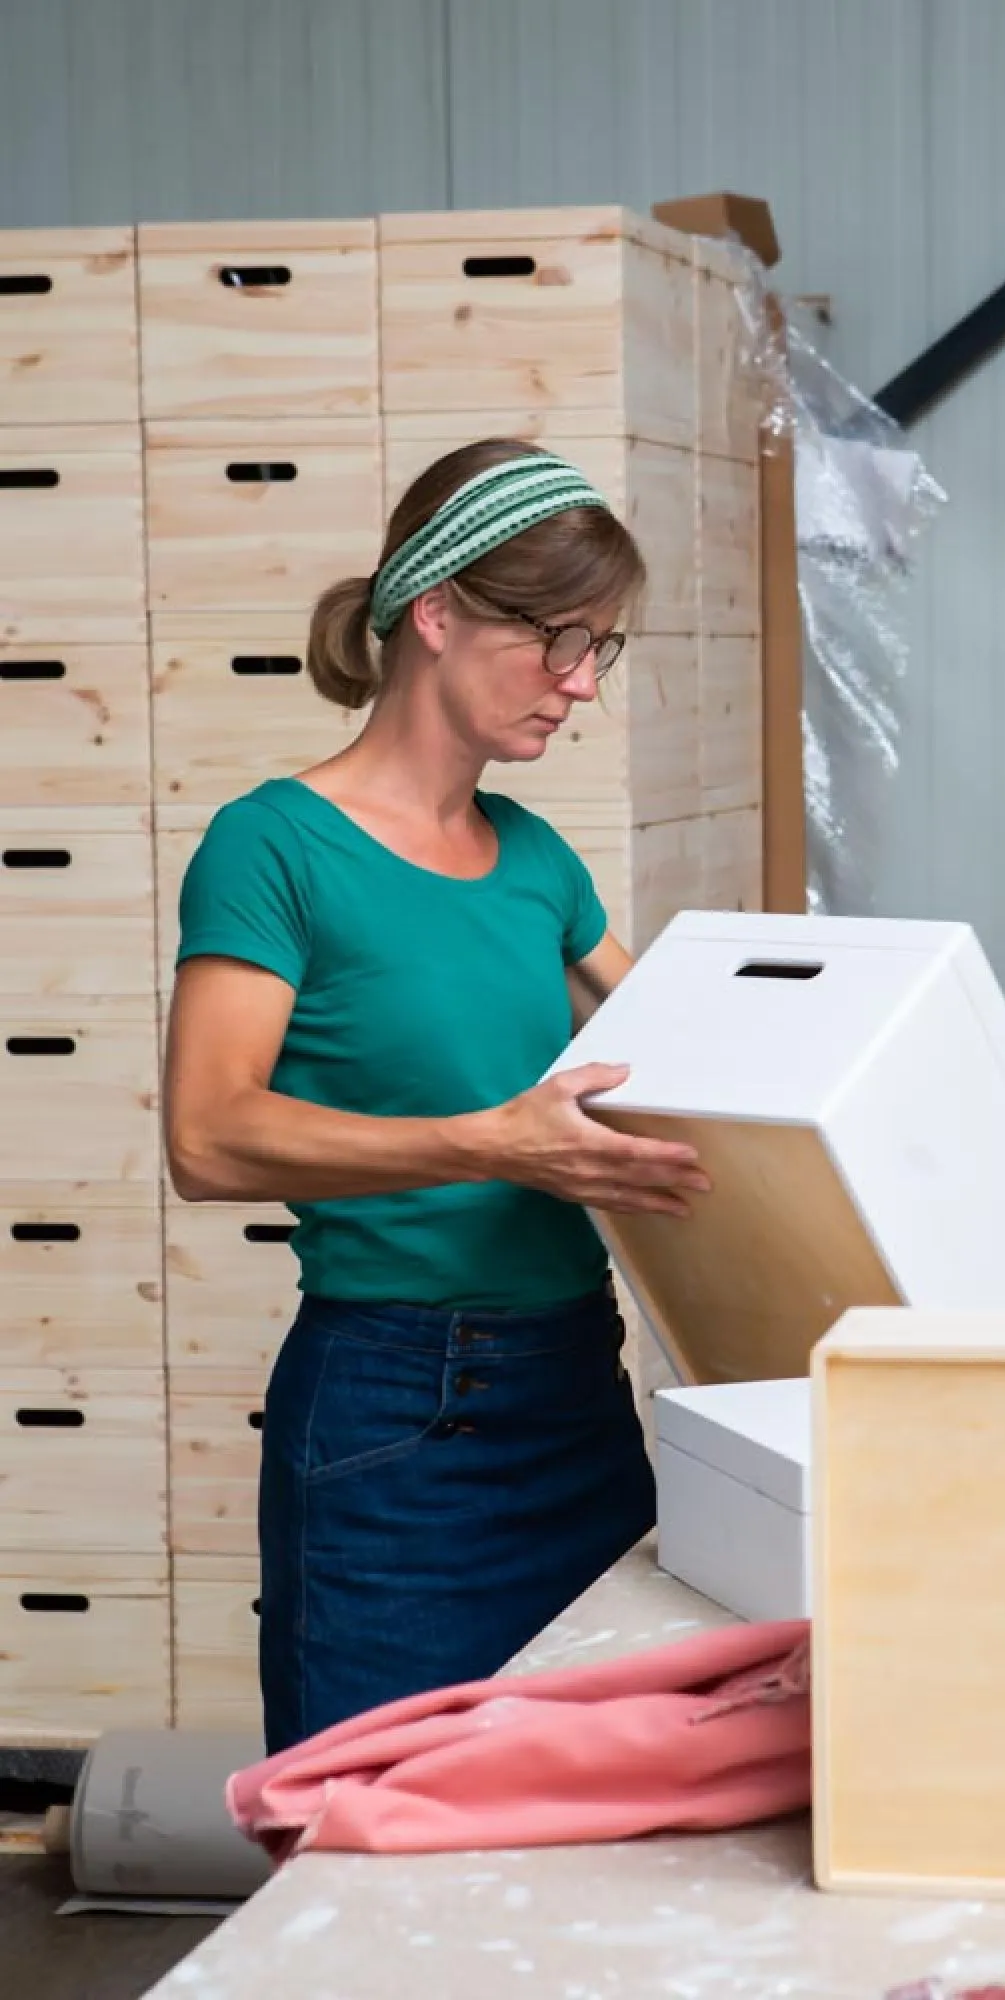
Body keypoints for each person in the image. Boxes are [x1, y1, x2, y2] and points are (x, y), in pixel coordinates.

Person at [163, 440, 710, 1753]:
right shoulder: (274, 845)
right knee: (373, 1828)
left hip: (577, 1392)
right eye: (559, 642)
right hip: (399, 1418)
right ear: (439, 610)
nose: (580, 685)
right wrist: (491, 1143)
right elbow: (207, 1134)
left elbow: (687, 1064)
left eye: (601, 650)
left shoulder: (536, 860)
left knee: (586, 1823)